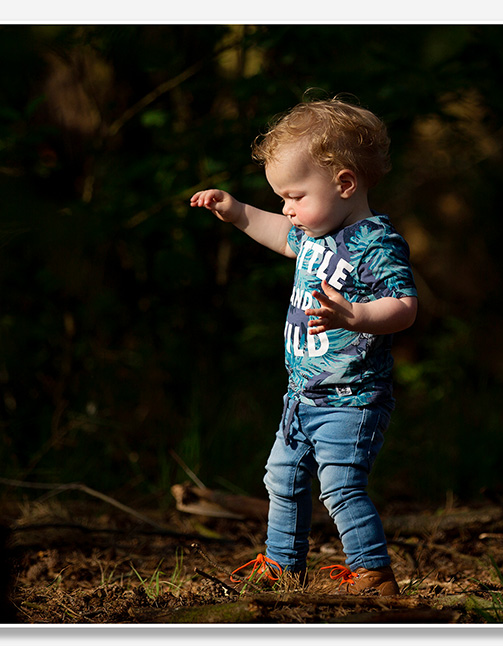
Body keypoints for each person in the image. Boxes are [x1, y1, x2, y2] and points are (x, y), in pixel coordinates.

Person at [189, 97, 418, 596]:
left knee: (339, 486)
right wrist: (236, 212)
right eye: (281, 198)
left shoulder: (375, 243)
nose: (287, 209)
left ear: (344, 184)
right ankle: (282, 565)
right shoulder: (312, 232)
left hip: (351, 397)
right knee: (282, 479)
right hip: (302, 396)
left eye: (294, 195)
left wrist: (356, 316)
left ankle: (372, 571)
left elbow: (404, 305)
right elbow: (277, 231)